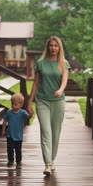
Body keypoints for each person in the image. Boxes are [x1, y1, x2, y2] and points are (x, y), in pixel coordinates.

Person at [27, 36, 70, 176]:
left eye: (56, 46)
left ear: (59, 48)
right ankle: (47, 164)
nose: (53, 48)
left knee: (55, 133)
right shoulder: (41, 63)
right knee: (46, 132)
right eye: (51, 45)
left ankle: (51, 160)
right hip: (42, 101)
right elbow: (36, 83)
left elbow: (64, 80)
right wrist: (29, 102)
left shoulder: (64, 63)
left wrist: (60, 90)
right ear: (48, 47)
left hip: (58, 102)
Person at [2, 93, 31, 169]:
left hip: (18, 136)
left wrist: (30, 114)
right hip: (10, 135)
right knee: (10, 149)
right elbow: (5, 121)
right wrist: (3, 130)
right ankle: (10, 161)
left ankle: (18, 162)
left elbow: (28, 117)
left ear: (21, 105)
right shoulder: (9, 112)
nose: (13, 106)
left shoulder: (22, 113)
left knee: (18, 150)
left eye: (15, 104)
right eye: (12, 104)